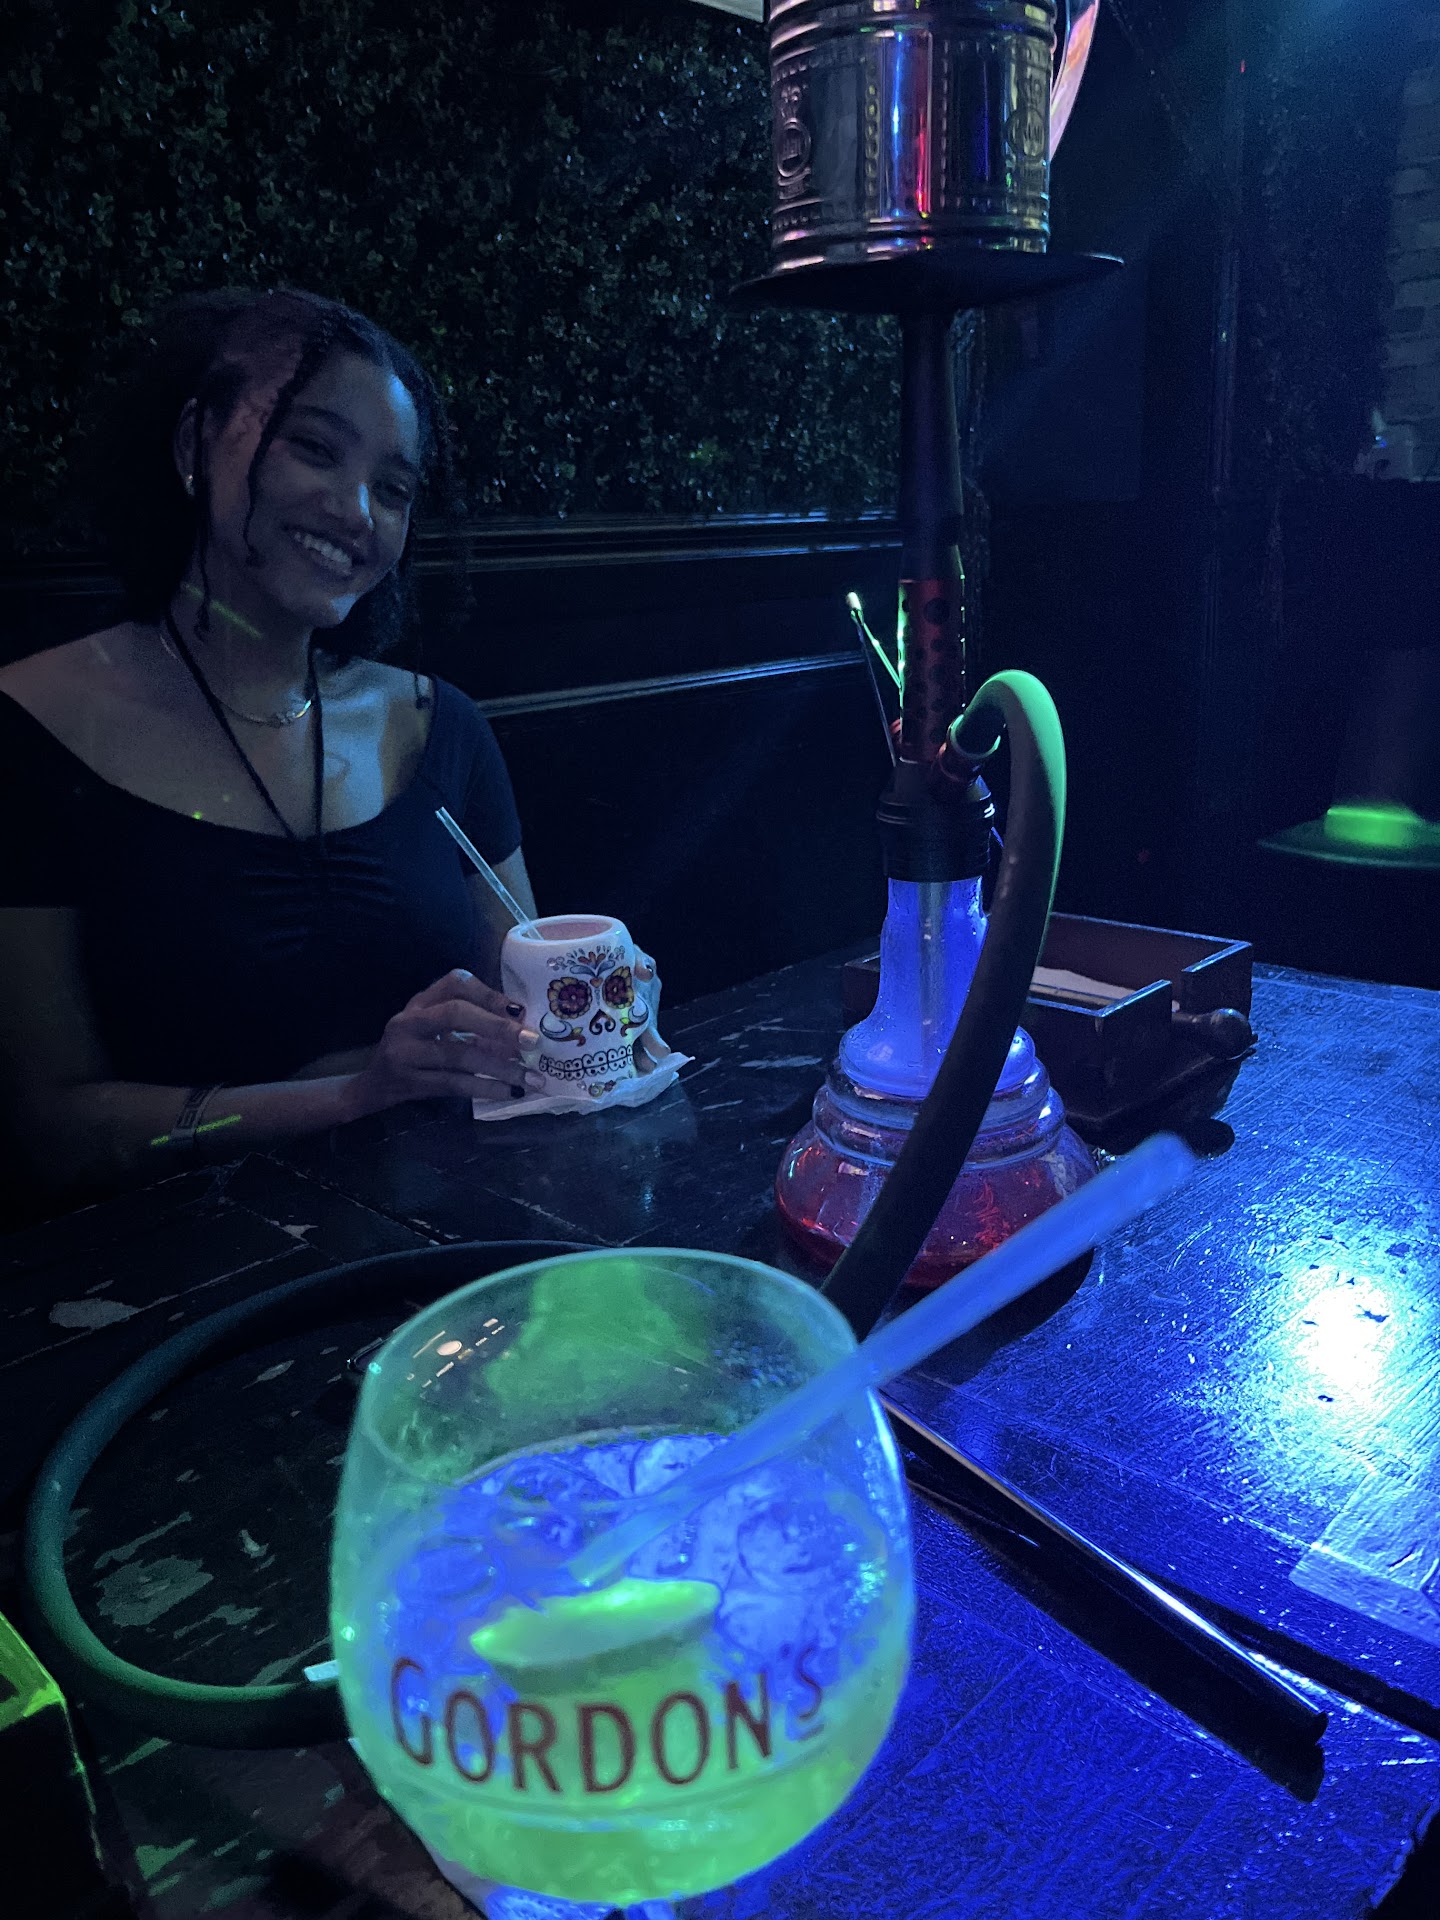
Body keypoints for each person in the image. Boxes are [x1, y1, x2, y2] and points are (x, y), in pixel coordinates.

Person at [0, 287, 544, 1211]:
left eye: (394, 489)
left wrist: (594, 1016)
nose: (357, 511)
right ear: (193, 444)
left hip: (452, 1227)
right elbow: (52, 1129)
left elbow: (523, 1010)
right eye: (316, 449)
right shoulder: (31, 727)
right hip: (169, 1265)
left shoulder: (438, 725)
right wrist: (353, 1095)